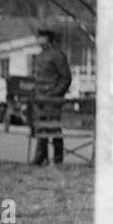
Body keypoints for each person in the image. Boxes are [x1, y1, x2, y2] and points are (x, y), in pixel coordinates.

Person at [32, 26, 72, 165]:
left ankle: (58, 159)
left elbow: (66, 78)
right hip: (40, 98)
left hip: (53, 99)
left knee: (54, 128)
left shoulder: (57, 55)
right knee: (41, 127)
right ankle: (41, 157)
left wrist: (54, 93)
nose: (38, 39)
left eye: (40, 37)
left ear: (47, 39)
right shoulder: (41, 55)